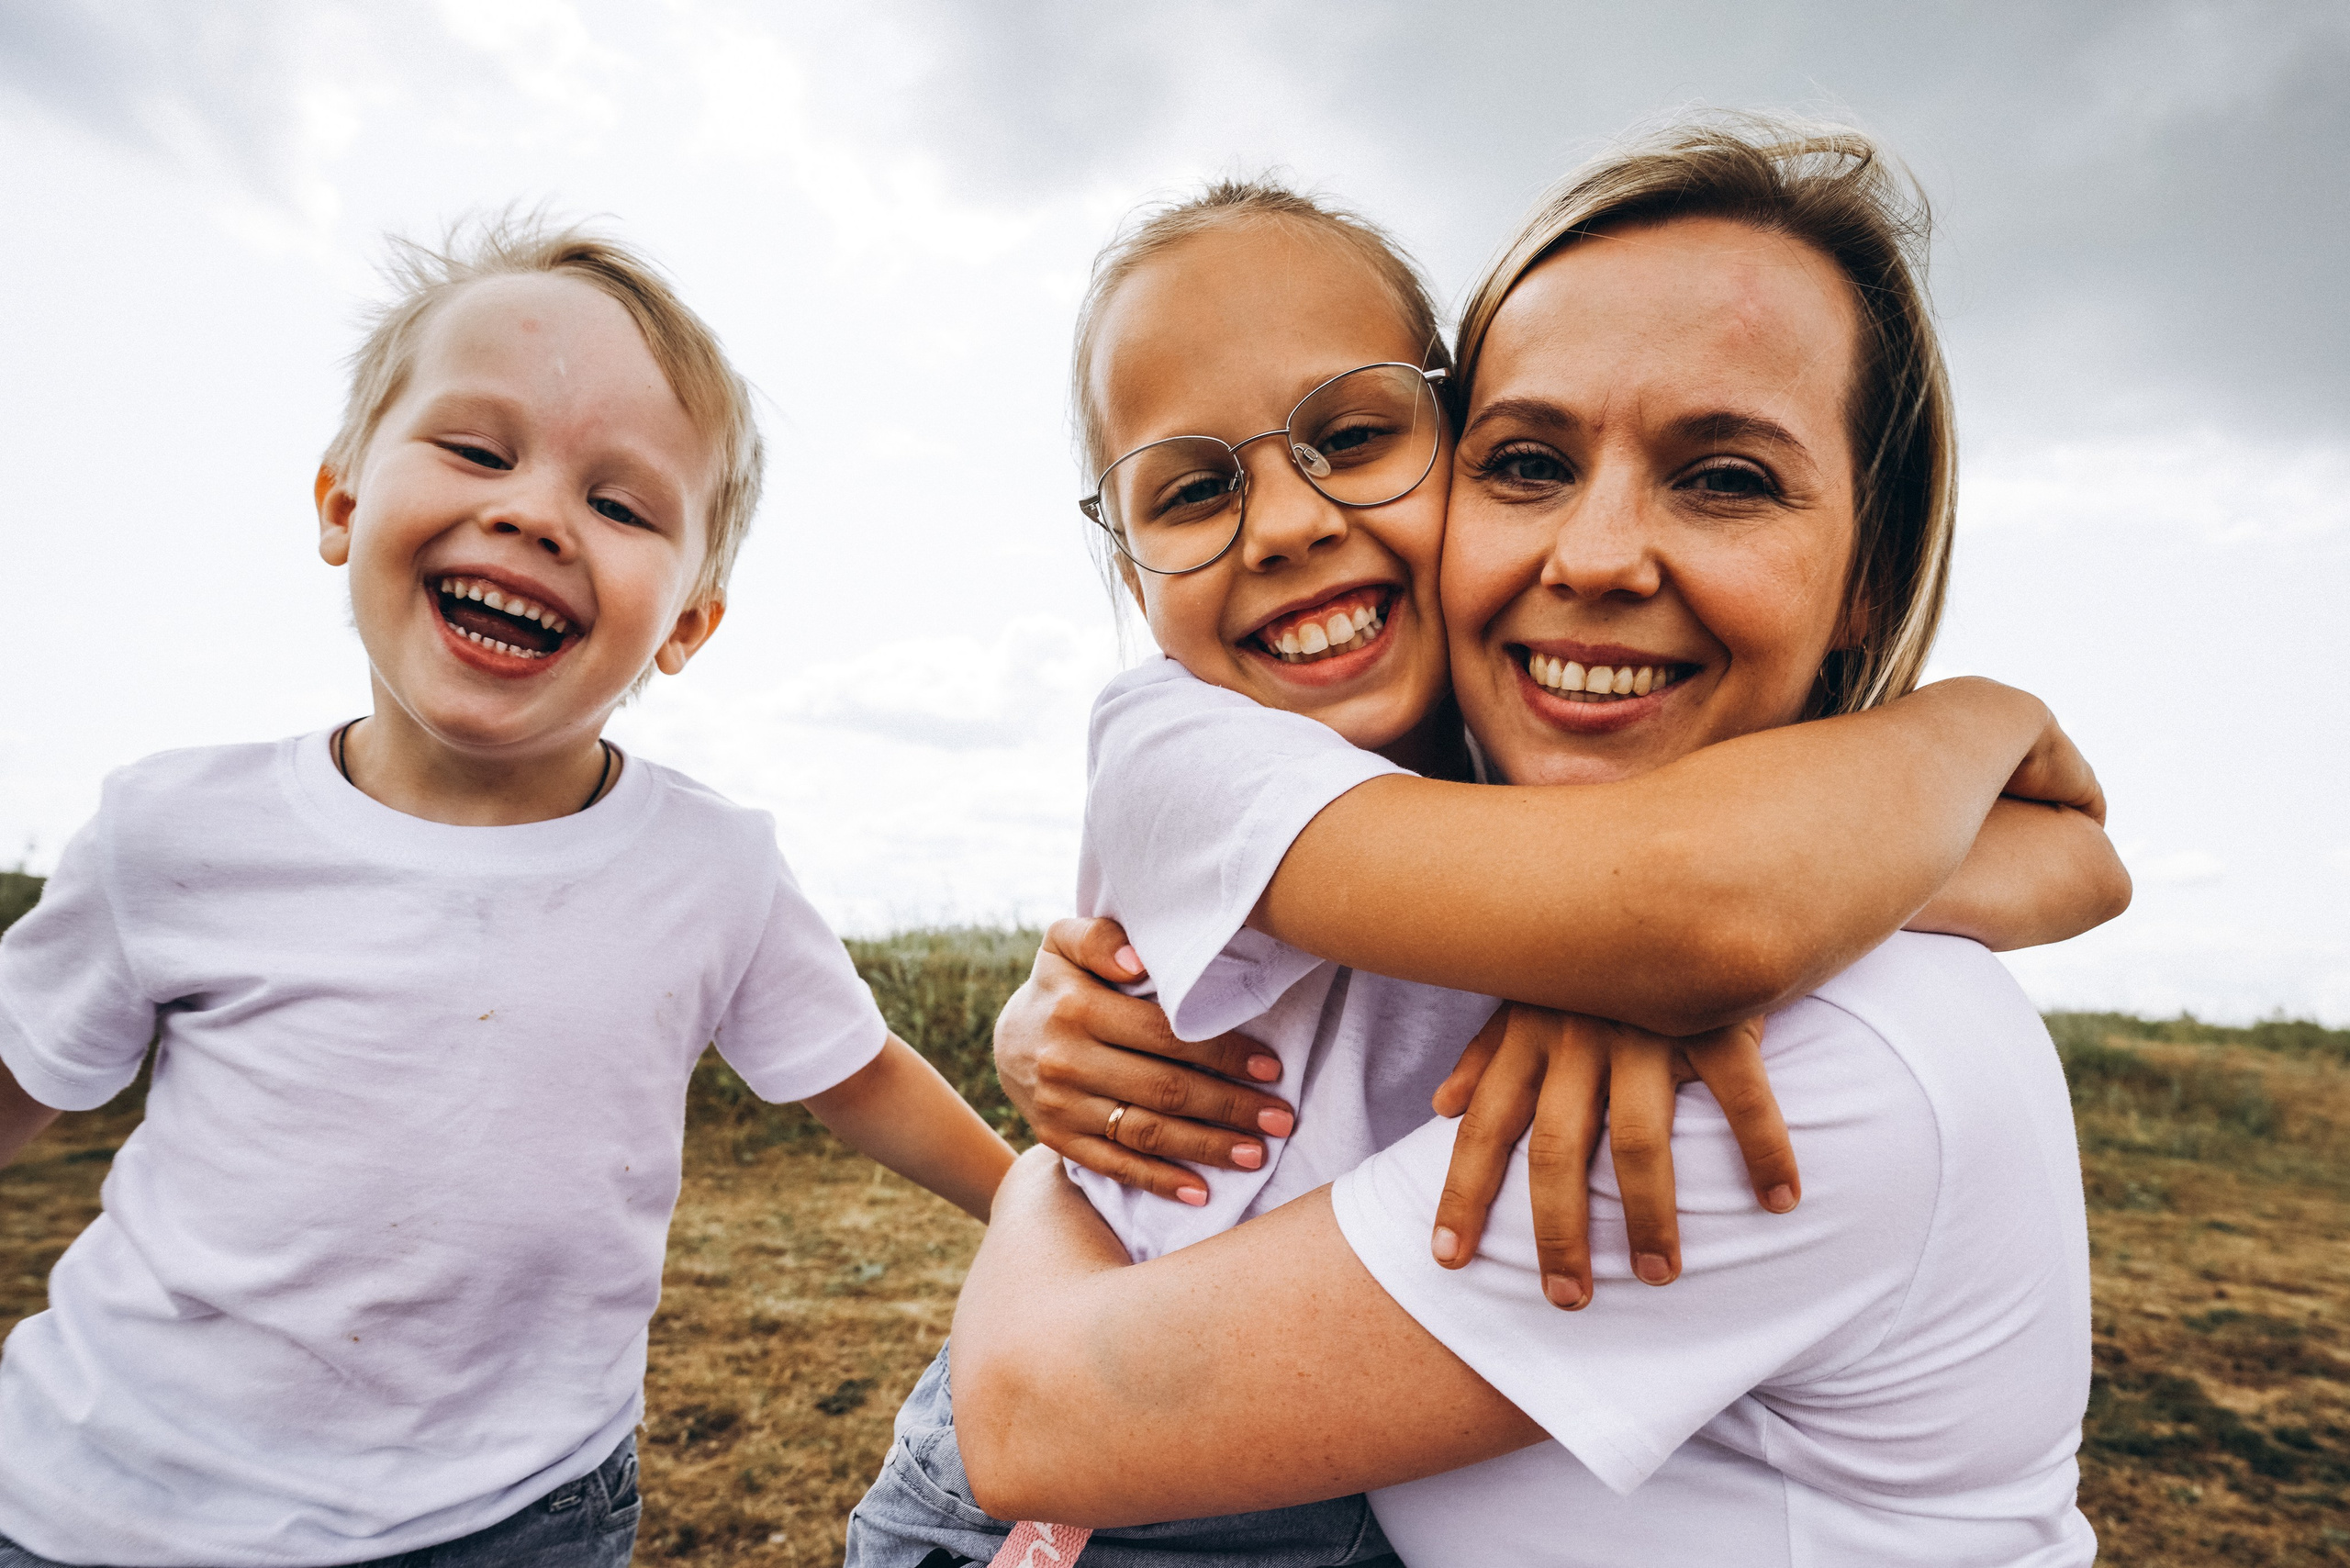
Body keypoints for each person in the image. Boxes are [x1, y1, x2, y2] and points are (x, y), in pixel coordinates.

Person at [854, 127, 2121, 1568]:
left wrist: (1955, 740)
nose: (1590, 560)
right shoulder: (1198, 748)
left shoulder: (1804, 1051)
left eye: (1723, 478)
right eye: (1529, 462)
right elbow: (1714, 904)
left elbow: (2055, 864)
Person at [0, 216, 1016, 1568]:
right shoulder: (172, 831)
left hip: (513, 1519)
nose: (534, 511)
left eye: (619, 502)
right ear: (341, 503)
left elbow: (855, 1072)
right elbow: (23, 1075)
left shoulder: (711, 870)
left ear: (690, 622)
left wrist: (1039, 1211)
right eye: (477, 451)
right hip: (102, 1503)